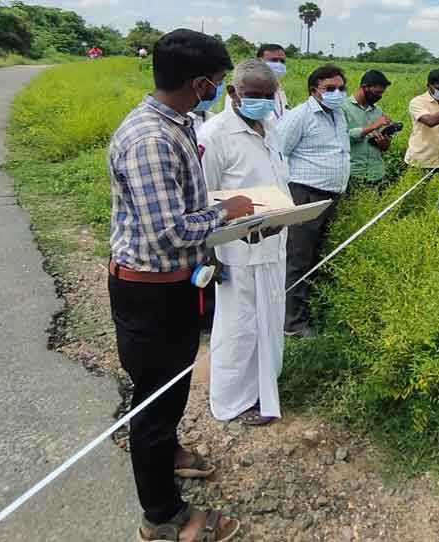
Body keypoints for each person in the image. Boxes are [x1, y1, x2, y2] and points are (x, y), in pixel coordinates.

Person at [107, 29, 252, 542]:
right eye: (216, 81)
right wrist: (227, 213)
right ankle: (163, 517)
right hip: (152, 292)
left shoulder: (177, 123)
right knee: (154, 400)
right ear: (198, 83)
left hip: (176, 284)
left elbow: (178, 207)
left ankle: (166, 452)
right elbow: (167, 231)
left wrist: (229, 218)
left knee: (170, 386)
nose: (218, 90)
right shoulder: (151, 139)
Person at [197, 59, 289, 426]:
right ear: (233, 93)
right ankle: (233, 400)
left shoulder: (271, 126)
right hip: (236, 251)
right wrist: (210, 254)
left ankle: (266, 389)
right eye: (254, 96)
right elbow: (203, 199)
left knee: (270, 318)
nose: (263, 102)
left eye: (269, 96)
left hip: (273, 243)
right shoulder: (213, 135)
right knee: (239, 327)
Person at [278, 64, 350, 338]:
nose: (337, 93)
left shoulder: (338, 115)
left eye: (341, 88)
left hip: (331, 195)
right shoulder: (300, 116)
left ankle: (309, 313)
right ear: (313, 91)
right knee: (298, 258)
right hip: (305, 195)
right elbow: (277, 153)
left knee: (318, 258)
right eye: (330, 89)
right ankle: (292, 323)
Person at [341, 69, 393, 189]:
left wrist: (384, 143)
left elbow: (385, 147)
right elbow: (343, 138)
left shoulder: (377, 110)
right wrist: (373, 126)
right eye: (377, 92)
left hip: (376, 173)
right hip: (354, 174)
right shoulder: (343, 108)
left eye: (382, 93)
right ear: (365, 87)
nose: (379, 96)